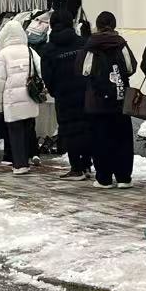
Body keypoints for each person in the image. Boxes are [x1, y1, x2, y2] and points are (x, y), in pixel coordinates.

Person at [82, 11, 138, 188]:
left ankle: (104, 178)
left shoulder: (91, 45)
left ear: (97, 26)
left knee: (100, 139)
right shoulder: (121, 44)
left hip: (97, 102)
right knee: (122, 139)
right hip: (120, 99)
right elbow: (131, 67)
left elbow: (84, 70)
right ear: (114, 25)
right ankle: (123, 177)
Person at [42, 10, 92, 179]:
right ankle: (86, 164)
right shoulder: (82, 43)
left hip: (63, 95)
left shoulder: (49, 49)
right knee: (85, 128)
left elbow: (47, 76)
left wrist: (55, 91)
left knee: (69, 130)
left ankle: (76, 167)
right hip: (84, 92)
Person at [0, 19, 41, 175]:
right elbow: (41, 71)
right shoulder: (30, 51)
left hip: (12, 100)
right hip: (30, 98)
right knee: (27, 130)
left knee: (15, 132)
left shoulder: (3, 54)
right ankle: (27, 159)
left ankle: (20, 164)